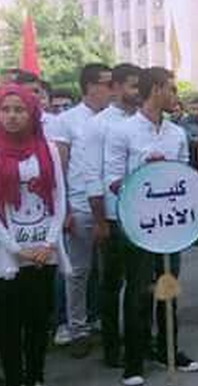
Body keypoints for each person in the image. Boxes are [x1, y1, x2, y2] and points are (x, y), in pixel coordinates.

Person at [104, 67, 198, 385]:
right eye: (171, 89)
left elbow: (184, 178)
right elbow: (113, 181)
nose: (176, 96)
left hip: (170, 226)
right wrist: (145, 174)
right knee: (138, 292)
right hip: (138, 225)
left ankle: (168, 348)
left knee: (168, 288)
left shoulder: (176, 133)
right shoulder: (123, 131)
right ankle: (134, 359)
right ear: (156, 89)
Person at [0, 84, 71, 386]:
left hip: (44, 248)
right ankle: (14, 378)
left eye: (19, 110)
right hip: (6, 253)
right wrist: (15, 248)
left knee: (38, 320)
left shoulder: (49, 149)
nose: (12, 116)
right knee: (8, 324)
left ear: (32, 113)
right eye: (5, 110)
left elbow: (59, 196)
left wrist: (48, 243)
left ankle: (35, 377)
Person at [79, 63, 141, 371]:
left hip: (144, 218)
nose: (137, 91)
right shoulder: (99, 125)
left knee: (141, 285)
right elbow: (92, 175)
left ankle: (139, 342)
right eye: (132, 85)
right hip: (114, 218)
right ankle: (112, 348)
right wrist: (100, 220)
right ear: (115, 87)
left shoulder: (146, 121)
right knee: (111, 284)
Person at [48, 63, 113, 356]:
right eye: (106, 83)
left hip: (110, 205)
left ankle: (101, 320)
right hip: (78, 204)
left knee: (108, 270)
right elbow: (59, 168)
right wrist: (63, 211)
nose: (111, 89)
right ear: (89, 86)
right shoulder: (67, 121)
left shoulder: (115, 120)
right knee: (78, 272)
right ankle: (77, 328)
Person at [179, 98, 198, 171]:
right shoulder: (183, 123)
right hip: (189, 161)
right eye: (193, 109)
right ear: (188, 110)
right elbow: (187, 139)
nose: (196, 112)